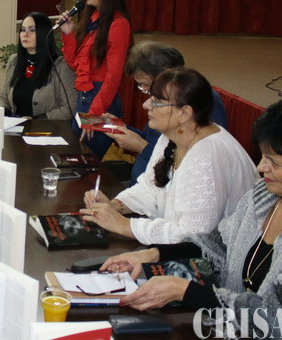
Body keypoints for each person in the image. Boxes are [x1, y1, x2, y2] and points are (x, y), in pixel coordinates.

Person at [101, 94, 282, 340]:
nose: (261, 168)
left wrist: (185, 291)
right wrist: (153, 255)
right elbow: (217, 245)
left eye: (274, 163)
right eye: (263, 156)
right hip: (232, 332)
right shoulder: (265, 195)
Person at [81, 67, 256, 244]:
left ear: (185, 113)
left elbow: (194, 235)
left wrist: (123, 225)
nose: (146, 105)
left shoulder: (207, 157)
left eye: (156, 102)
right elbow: (150, 188)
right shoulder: (172, 135)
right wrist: (114, 206)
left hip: (213, 253)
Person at [107, 40, 228, 183]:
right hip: (143, 182)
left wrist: (141, 147)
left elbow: (191, 164)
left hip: (164, 187)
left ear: (165, 74)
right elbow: (152, 138)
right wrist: (121, 129)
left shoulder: (202, 99)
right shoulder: (163, 98)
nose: (146, 96)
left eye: (146, 85)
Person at [58, 0, 132, 158]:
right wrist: (68, 34)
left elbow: (113, 78)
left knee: (86, 159)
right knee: (75, 157)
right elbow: (76, 65)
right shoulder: (93, 21)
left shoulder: (118, 24)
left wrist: (94, 114)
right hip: (84, 99)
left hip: (100, 102)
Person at [0, 11, 76, 120]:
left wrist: (36, 120)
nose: (25, 34)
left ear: (44, 33)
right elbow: (3, 96)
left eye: (32, 30)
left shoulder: (61, 65)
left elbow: (71, 108)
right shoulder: (14, 60)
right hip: (14, 126)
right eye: (23, 29)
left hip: (46, 128)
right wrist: (3, 114)